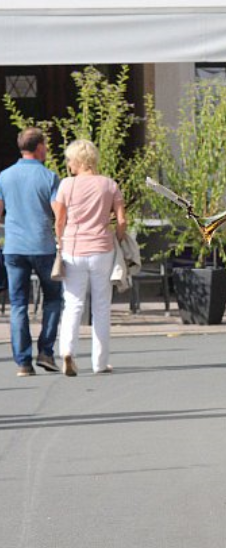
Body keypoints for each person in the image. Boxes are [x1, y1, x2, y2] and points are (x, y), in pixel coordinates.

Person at [53, 139, 126, 376]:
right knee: (101, 306)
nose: (68, 164)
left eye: (70, 159)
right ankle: (100, 362)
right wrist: (120, 239)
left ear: (78, 160)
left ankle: (67, 351)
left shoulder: (66, 185)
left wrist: (60, 240)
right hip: (102, 249)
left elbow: (60, 220)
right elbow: (122, 221)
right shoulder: (109, 185)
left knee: (73, 304)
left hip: (73, 249)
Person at [0, 127, 62, 377]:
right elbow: (59, 214)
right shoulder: (49, 177)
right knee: (54, 299)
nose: (46, 150)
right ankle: (46, 351)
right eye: (45, 146)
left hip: (14, 247)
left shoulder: (4, 176)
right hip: (43, 245)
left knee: (17, 304)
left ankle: (23, 362)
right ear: (38, 148)